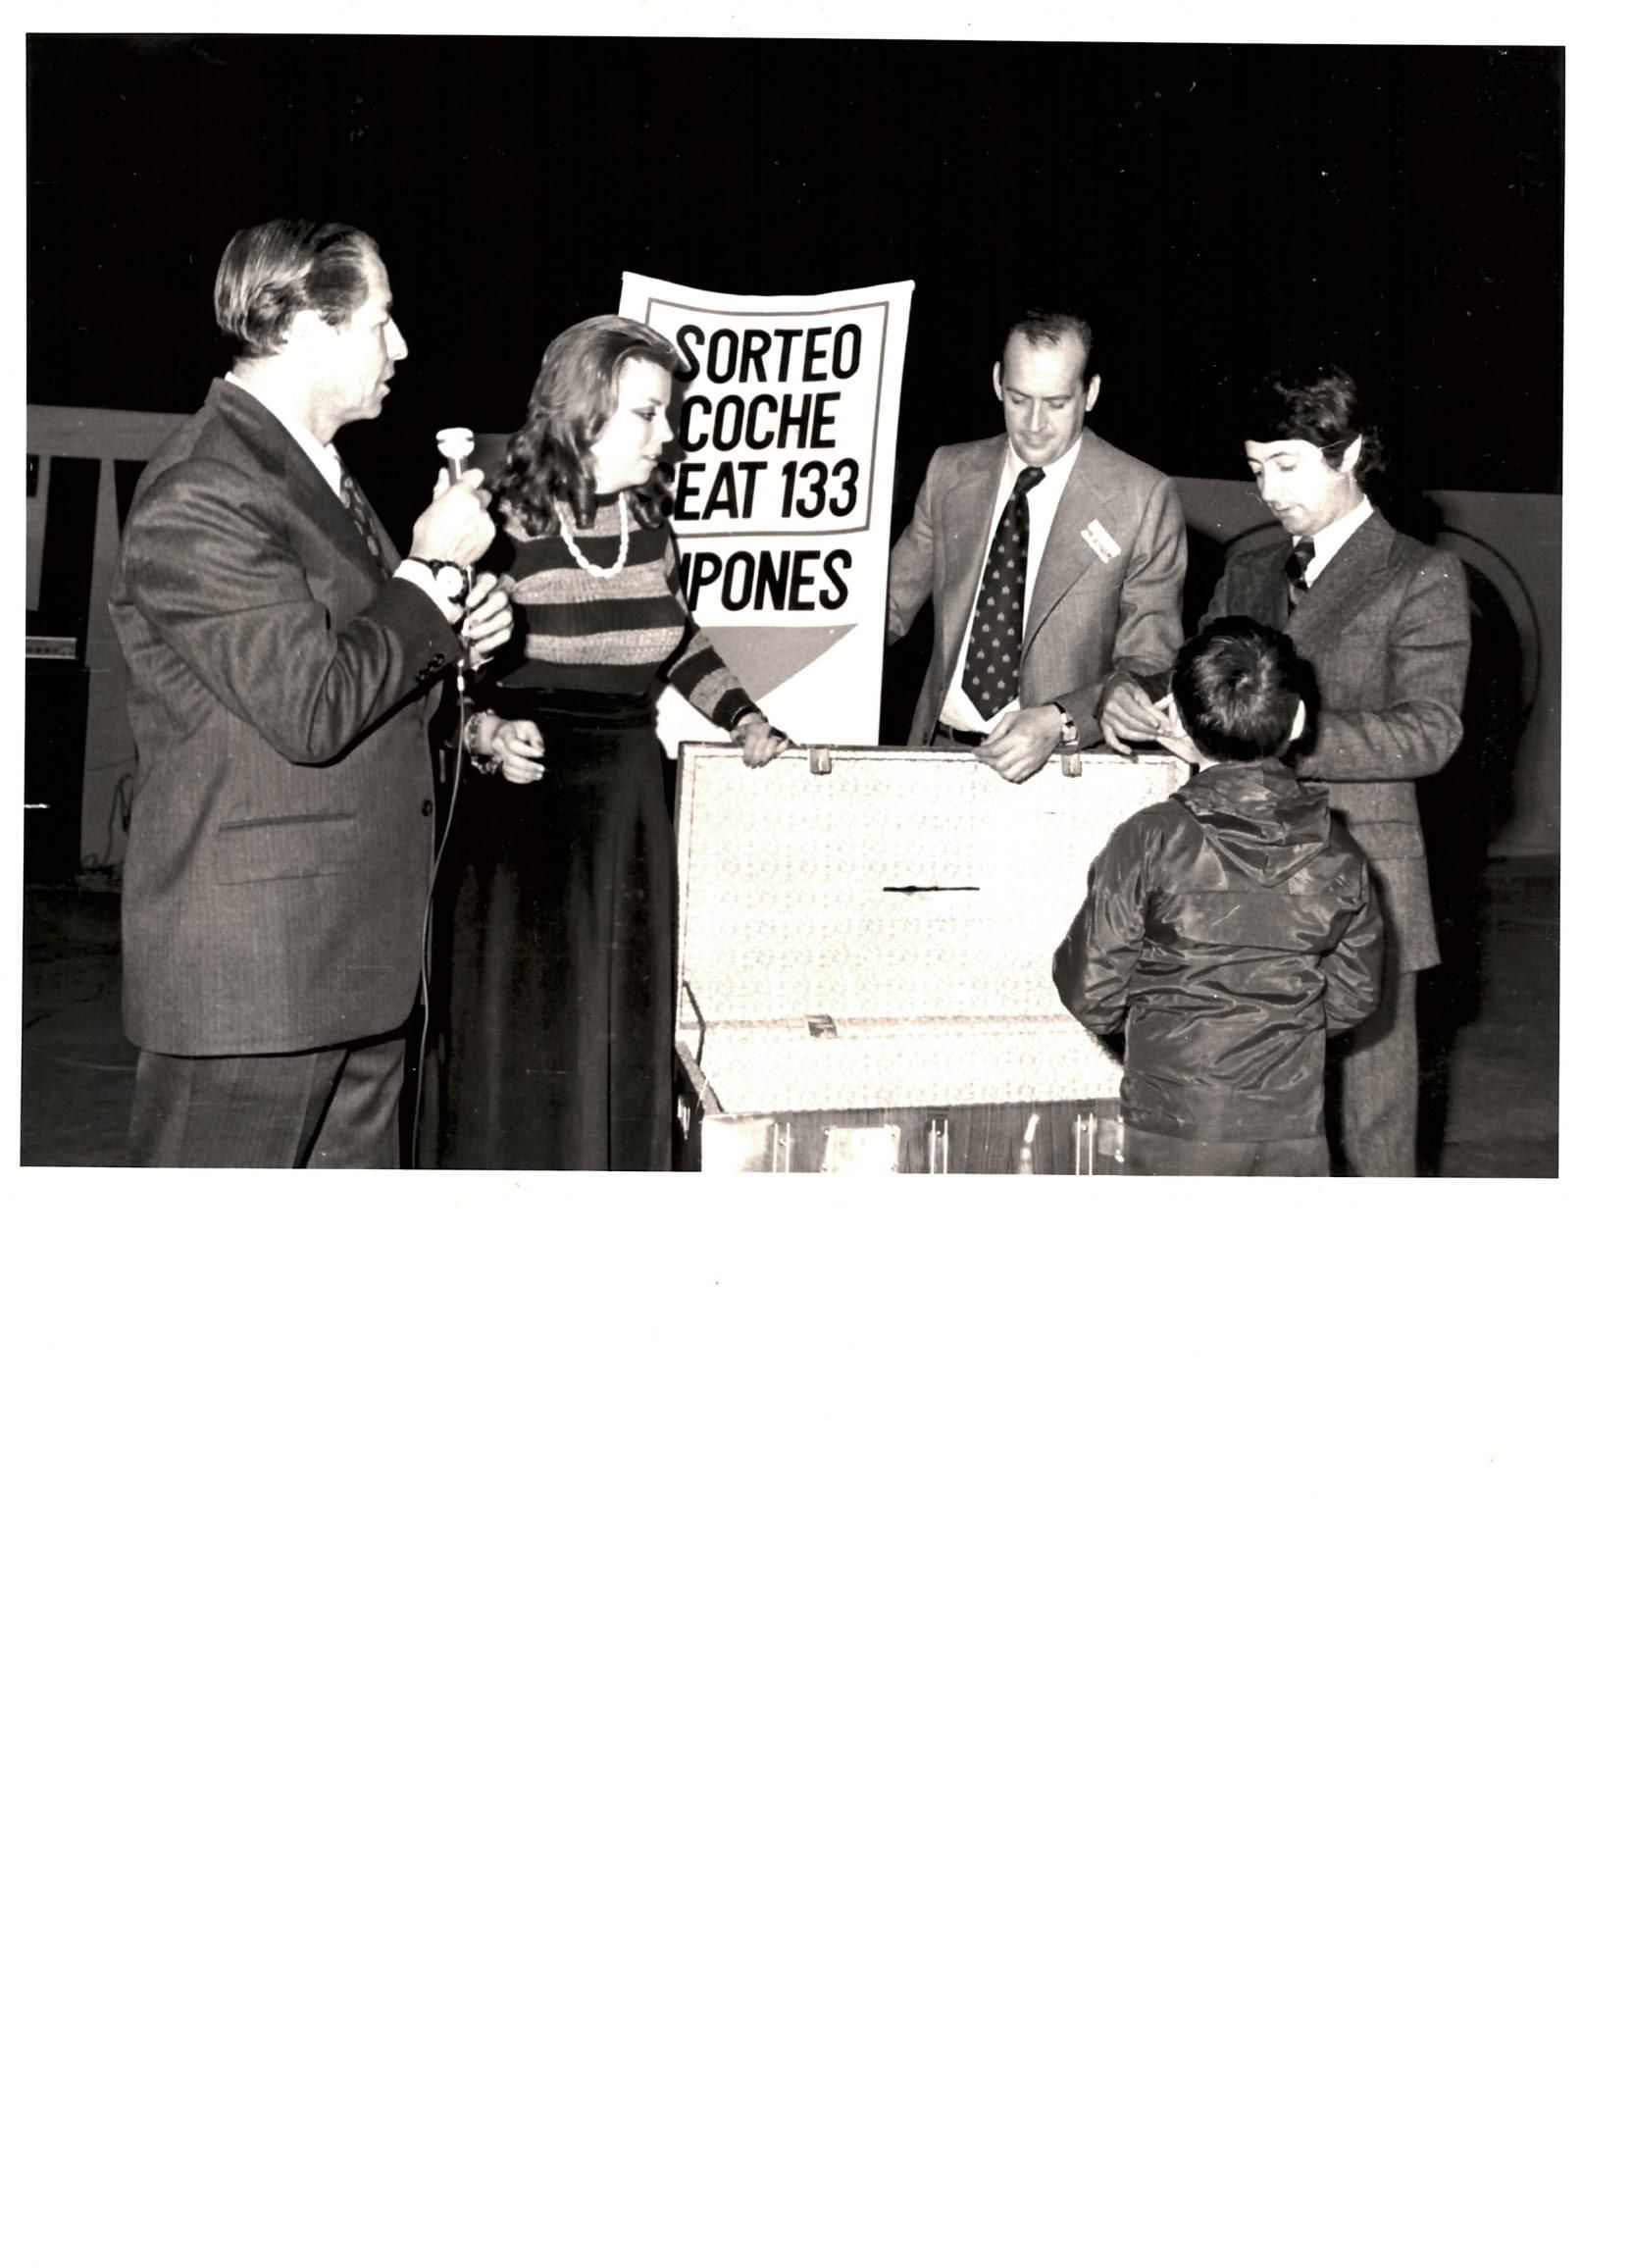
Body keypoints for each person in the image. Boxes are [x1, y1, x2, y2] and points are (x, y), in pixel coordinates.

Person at [110, 217, 512, 1167]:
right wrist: (427, 574)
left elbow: (362, 663)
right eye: (380, 321)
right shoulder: (207, 487)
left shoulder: (315, 476)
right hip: (255, 982)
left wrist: (453, 624)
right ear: (303, 326)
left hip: (346, 961)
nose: (400, 346)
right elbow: (311, 708)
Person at [430, 314, 787, 1172]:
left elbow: (677, 638)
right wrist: (482, 735)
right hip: (523, 813)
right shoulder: (495, 523)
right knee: (527, 1032)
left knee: (619, 1025)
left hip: (628, 804)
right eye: (648, 414)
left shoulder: (653, 528)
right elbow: (436, 677)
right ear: (584, 412)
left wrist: (743, 715)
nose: (668, 435)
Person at [1201, 365, 1470, 1175]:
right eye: (1255, 469)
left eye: (1286, 465)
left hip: (1369, 894)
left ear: (1348, 453)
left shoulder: (1421, 575)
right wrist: (1128, 702)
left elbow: (1430, 732)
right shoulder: (1249, 573)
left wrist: (1279, 732)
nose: (1268, 491)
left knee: (1374, 1139)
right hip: (1243, 888)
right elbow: (1189, 676)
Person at [1053, 618, 1384, 1176]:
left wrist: (1158, 1030)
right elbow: (1355, 994)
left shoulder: (1148, 838)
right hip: (1294, 1123)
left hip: (1175, 1120)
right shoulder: (1341, 850)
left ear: (1177, 721)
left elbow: (1090, 989)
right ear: (1300, 720)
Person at [885, 308, 1187, 782]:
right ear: (996, 381)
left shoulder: (1143, 497)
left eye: (1057, 403)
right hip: (939, 754)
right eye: (1019, 399)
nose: (1035, 423)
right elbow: (885, 609)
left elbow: (1149, 661)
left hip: (1063, 768)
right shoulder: (948, 471)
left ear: (1091, 394)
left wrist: (1062, 720)